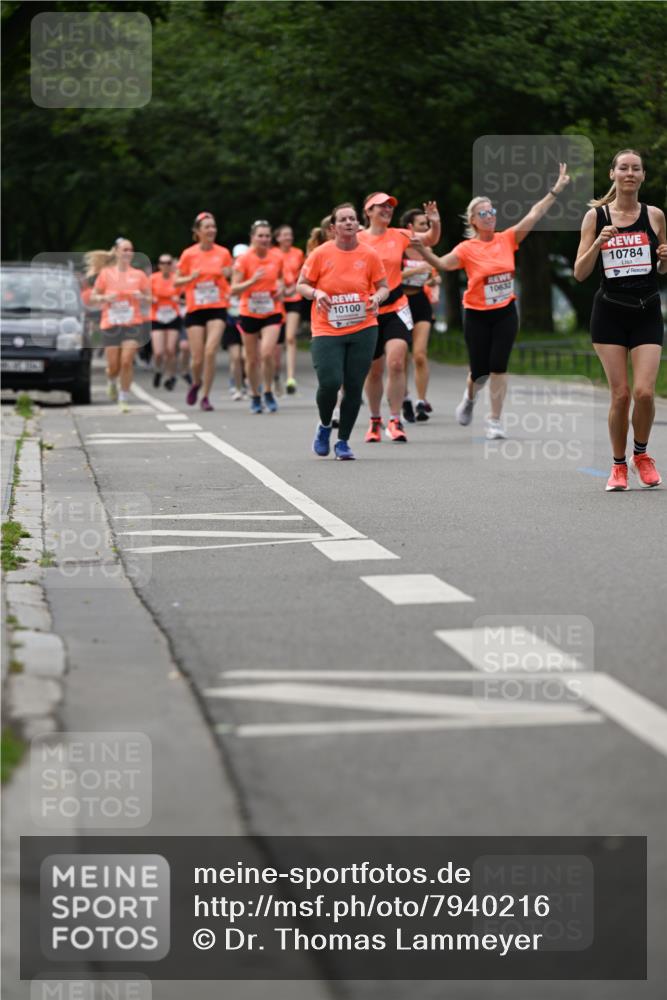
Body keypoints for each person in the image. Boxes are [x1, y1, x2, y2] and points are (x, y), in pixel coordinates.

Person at [412, 164, 570, 438]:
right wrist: (423, 251)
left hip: (505, 312)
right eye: (483, 213)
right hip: (476, 314)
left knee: (498, 365)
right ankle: (470, 398)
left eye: (492, 211)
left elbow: (534, 214)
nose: (489, 216)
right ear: (473, 220)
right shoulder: (466, 249)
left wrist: (555, 190)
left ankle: (494, 420)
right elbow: (442, 264)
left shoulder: (507, 239)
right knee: (480, 371)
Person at [574, 149, 666, 491]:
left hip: (647, 311)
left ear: (643, 176)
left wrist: (664, 260)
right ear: (612, 174)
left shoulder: (654, 215)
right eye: (623, 168)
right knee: (621, 395)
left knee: (644, 393)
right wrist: (598, 243)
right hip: (609, 313)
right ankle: (617, 465)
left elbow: (661, 268)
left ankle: (641, 455)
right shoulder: (596, 217)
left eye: (635, 168)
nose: (629, 173)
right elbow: (580, 272)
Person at [297, 202, 389, 460]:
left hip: (363, 327)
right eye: (343, 219)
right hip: (327, 328)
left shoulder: (369, 254)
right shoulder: (320, 254)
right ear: (333, 227)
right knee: (330, 382)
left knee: (354, 386)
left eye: (352, 219)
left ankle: (343, 442)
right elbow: (301, 285)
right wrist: (317, 293)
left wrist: (377, 298)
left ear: (358, 224)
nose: (349, 222)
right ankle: (325, 425)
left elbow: (384, 286)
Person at [358, 193, 440, 443]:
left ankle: (395, 420)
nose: (387, 210)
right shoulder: (358, 239)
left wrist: (435, 222)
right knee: (374, 371)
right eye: (381, 206)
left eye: (390, 206)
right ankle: (375, 420)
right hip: (369, 310)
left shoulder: (400, 235)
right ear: (368, 211)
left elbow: (430, 239)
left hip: (396, 306)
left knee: (396, 362)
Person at [174, 212, 232, 411]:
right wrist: (190, 277)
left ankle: (206, 396)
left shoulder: (223, 253)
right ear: (197, 231)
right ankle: (196, 382)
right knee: (197, 358)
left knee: (210, 351)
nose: (211, 230)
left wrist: (229, 273)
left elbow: (231, 276)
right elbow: (176, 281)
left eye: (213, 226)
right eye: (207, 227)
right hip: (196, 309)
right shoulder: (188, 254)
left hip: (217, 306)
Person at [87, 238, 151, 412]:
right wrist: (105, 298)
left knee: (127, 361)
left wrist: (142, 297)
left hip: (132, 323)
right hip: (111, 323)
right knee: (113, 366)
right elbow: (93, 297)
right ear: (116, 252)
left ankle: (123, 397)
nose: (128, 253)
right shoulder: (106, 274)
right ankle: (111, 380)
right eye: (125, 250)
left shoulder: (139, 275)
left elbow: (151, 298)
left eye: (131, 250)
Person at [230, 220, 285, 414]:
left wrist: (280, 288)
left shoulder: (276, 257)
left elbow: (281, 279)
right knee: (252, 359)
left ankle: (268, 391)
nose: (264, 239)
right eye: (260, 236)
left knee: (267, 353)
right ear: (252, 237)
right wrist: (252, 281)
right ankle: (255, 395)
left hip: (272, 310)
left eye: (267, 236)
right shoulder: (244, 260)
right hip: (249, 312)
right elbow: (234, 288)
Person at [400, 207, 437, 421]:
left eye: (427, 224)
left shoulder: (427, 249)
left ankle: (421, 402)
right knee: (401, 356)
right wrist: (416, 270)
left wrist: (433, 280)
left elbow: (433, 273)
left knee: (420, 355)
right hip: (400, 303)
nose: (426, 227)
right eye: (422, 224)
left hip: (421, 302)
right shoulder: (398, 248)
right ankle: (404, 397)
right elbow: (392, 275)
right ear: (410, 227)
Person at [274, 225, 305, 394]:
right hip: (276, 300)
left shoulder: (298, 253)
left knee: (290, 337)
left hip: (293, 298)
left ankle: (290, 378)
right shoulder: (272, 253)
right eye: (285, 235)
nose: (288, 238)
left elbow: (303, 274)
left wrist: (293, 288)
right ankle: (275, 375)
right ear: (278, 238)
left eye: (290, 235)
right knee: (276, 343)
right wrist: (280, 289)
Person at [150, 253, 180, 389]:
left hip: (173, 316)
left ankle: (170, 376)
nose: (166, 265)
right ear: (159, 265)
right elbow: (145, 295)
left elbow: (185, 295)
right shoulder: (153, 278)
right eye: (163, 263)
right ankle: (158, 370)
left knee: (170, 350)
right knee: (158, 352)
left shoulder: (177, 279)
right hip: (157, 316)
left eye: (168, 263)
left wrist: (179, 299)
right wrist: (151, 299)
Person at [223, 243, 249, 400]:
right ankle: (237, 387)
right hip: (231, 321)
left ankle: (247, 383)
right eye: (237, 259)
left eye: (243, 259)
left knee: (247, 357)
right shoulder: (225, 279)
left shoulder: (250, 278)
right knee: (235, 357)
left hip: (247, 319)